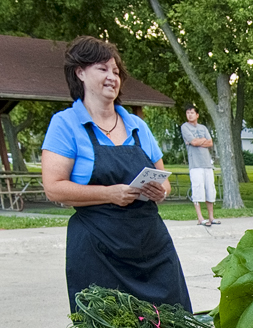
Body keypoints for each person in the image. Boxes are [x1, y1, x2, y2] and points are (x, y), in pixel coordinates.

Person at [41, 36, 191, 311]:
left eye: (116, 71)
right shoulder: (65, 124)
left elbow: (165, 182)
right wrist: (109, 194)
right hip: (98, 250)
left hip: (152, 246)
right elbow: (54, 188)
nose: (112, 77)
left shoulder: (136, 125)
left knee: (173, 325)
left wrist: (161, 191)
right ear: (80, 73)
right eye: (103, 69)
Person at [181, 104, 219, 226]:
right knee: (197, 190)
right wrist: (200, 141)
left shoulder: (203, 127)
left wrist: (199, 141)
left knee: (210, 190)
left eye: (192, 112)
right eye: (188, 113)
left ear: (197, 115)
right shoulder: (185, 127)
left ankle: (211, 217)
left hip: (207, 163)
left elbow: (210, 142)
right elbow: (193, 142)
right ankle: (200, 218)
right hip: (195, 164)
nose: (190, 115)